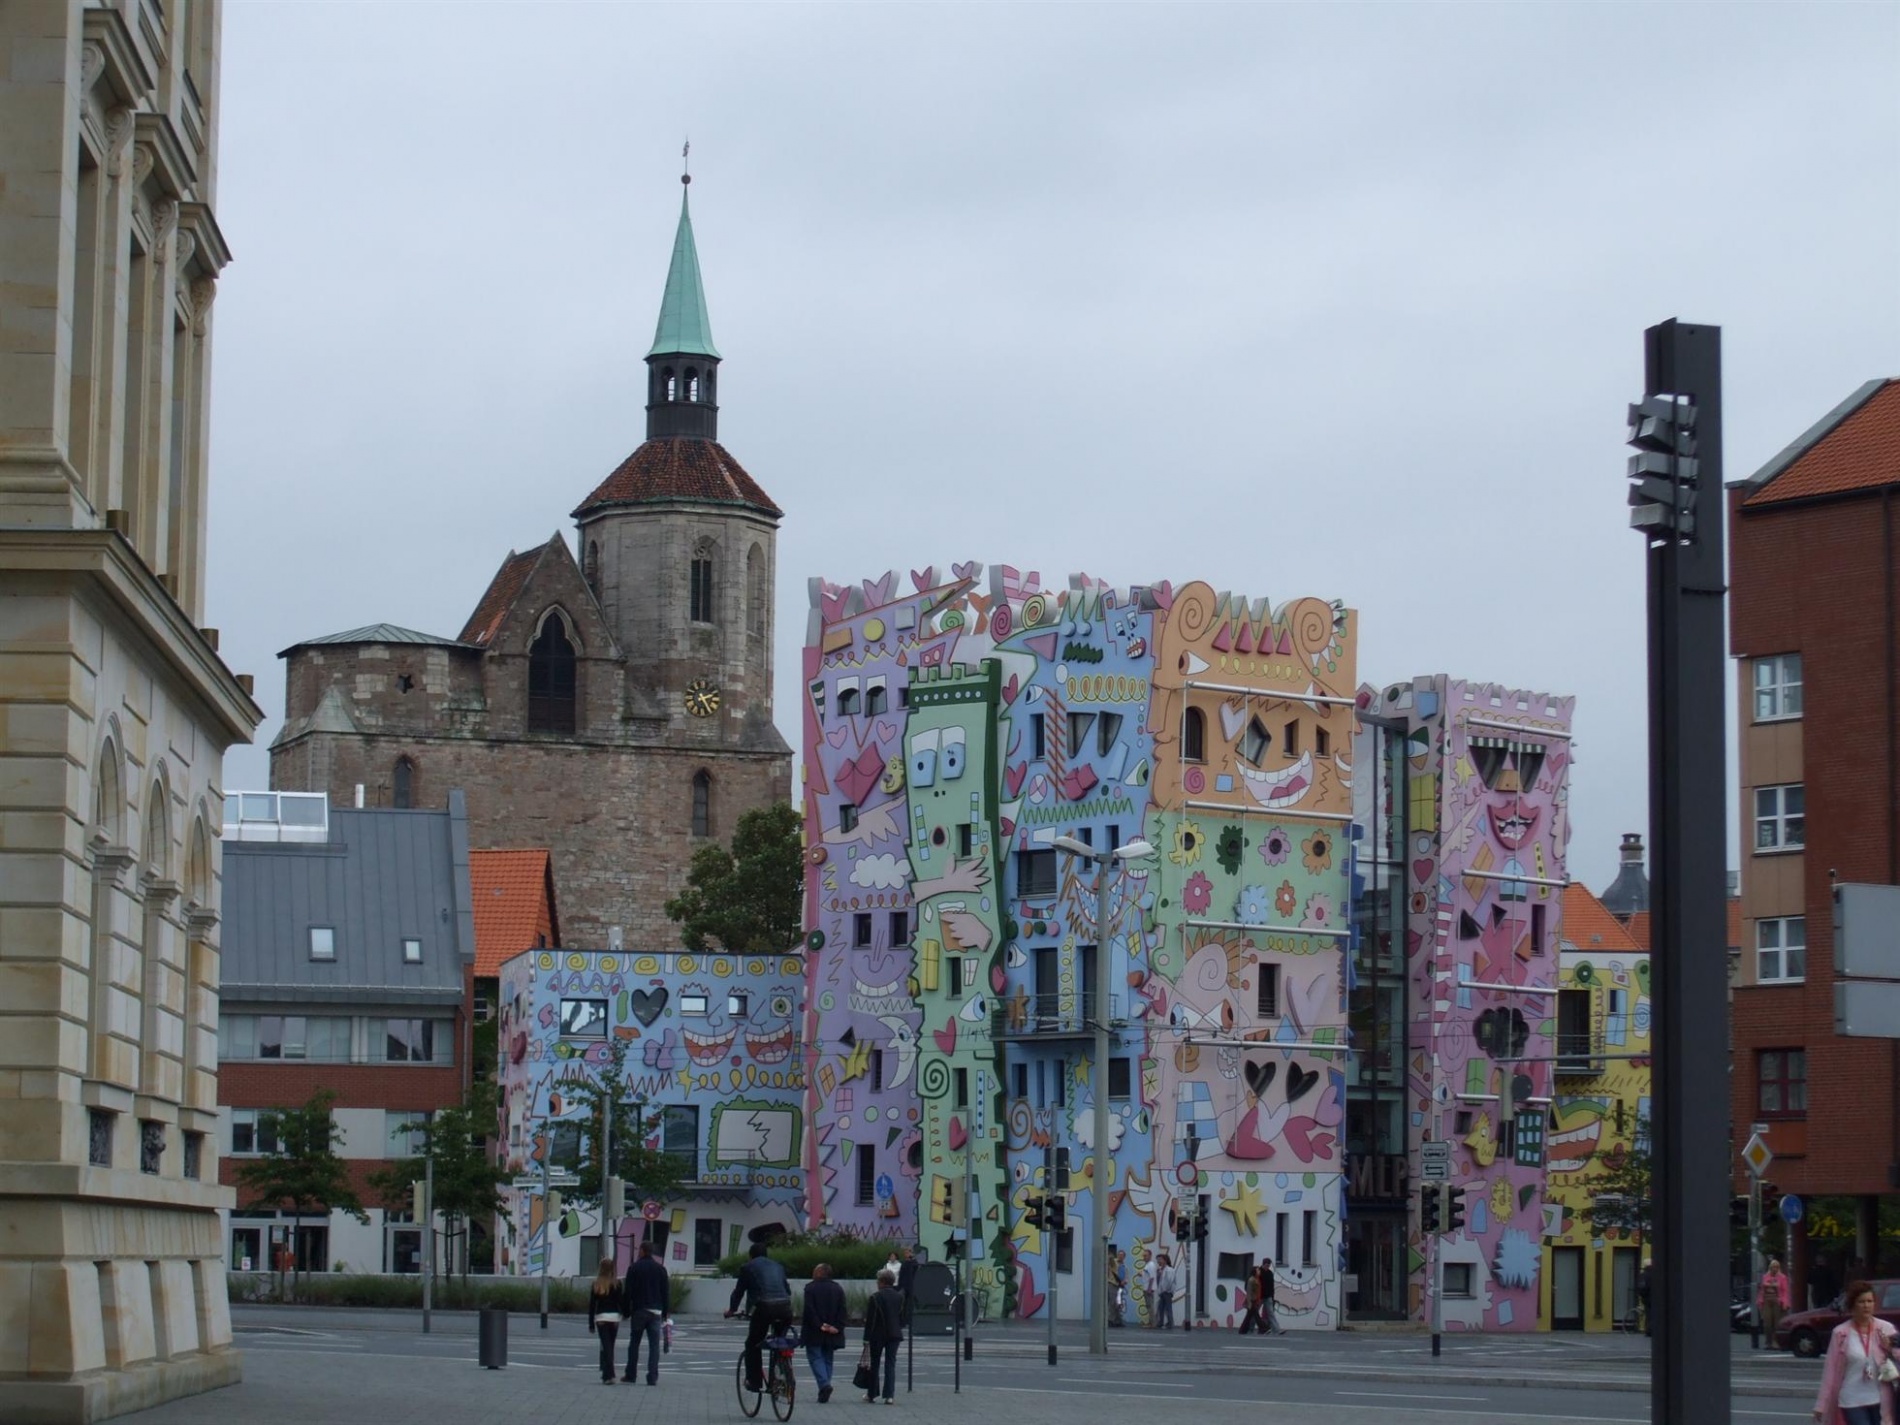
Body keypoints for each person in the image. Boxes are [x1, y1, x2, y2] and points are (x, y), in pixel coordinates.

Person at [1814, 1280, 1898, 1425]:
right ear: (1852, 1305)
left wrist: (1890, 1348)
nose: (1866, 1306)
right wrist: (1821, 1405)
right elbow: (1830, 1372)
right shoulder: (1840, 1333)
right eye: (1861, 1302)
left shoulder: (1886, 1328)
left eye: (1870, 1301)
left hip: (1881, 1398)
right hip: (1851, 1400)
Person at [726, 1242, 794, 1394]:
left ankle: (755, 1382)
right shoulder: (778, 1266)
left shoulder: (747, 1267)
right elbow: (787, 1290)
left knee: (753, 1343)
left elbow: (738, 1292)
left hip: (764, 1308)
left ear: (751, 1256)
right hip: (785, 1308)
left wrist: (731, 1310)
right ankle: (781, 1374)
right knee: (779, 1341)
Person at [623, 1240, 669, 1385]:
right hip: (656, 1311)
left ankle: (631, 1374)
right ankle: (652, 1377)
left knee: (634, 1343)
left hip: (639, 1310)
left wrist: (626, 1311)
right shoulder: (660, 1269)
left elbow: (628, 1292)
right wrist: (665, 1312)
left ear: (642, 1251)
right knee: (654, 1346)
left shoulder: (634, 1268)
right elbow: (665, 1292)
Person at [803, 1262, 848, 1403]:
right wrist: (838, 1327)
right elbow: (843, 1310)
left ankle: (824, 1385)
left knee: (815, 1357)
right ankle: (825, 1387)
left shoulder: (810, 1288)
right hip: (832, 1330)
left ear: (819, 1272)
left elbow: (810, 1310)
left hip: (815, 1331)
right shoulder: (837, 1289)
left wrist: (820, 1325)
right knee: (828, 1358)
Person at [863, 1268, 905, 1404]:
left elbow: (871, 1320)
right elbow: (902, 1317)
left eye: (878, 1280)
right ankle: (889, 1395)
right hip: (894, 1334)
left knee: (875, 1364)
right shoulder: (899, 1297)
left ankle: (872, 1393)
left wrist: (866, 1338)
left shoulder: (875, 1297)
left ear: (882, 1282)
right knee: (890, 1364)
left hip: (878, 1334)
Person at [587, 1258, 625, 1385]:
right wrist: (625, 1313)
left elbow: (592, 1305)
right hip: (614, 1317)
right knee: (611, 1346)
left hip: (601, 1317)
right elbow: (621, 1301)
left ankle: (608, 1374)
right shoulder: (617, 1283)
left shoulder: (596, 1284)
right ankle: (608, 1374)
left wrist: (591, 1323)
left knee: (606, 1345)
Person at [1760, 1258, 1792, 1351]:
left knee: (1777, 1323)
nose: (1774, 1268)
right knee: (1767, 1323)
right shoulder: (1765, 1277)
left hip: (1778, 1301)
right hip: (1767, 1301)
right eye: (1773, 1266)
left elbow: (1785, 1291)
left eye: (1776, 1267)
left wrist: (1785, 1303)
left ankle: (1775, 1342)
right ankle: (1768, 1342)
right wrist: (1760, 1303)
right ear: (1770, 1267)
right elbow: (1762, 1290)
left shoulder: (1782, 1277)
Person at [1260, 1258, 1287, 1336]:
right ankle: (1250, 1328)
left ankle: (1277, 1330)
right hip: (1260, 1296)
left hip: (1268, 1296)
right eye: (1266, 1265)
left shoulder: (1270, 1273)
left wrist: (1272, 1296)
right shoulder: (1258, 1272)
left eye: (1269, 1265)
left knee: (1271, 1313)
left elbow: (1272, 1286)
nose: (1267, 1267)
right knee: (1254, 1313)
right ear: (1263, 1264)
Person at [1238, 1260, 1266, 1335]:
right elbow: (1249, 1291)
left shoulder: (1257, 1279)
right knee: (1256, 1316)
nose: (1259, 1272)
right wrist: (1249, 1303)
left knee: (1249, 1316)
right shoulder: (1251, 1280)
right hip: (1252, 1300)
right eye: (1258, 1270)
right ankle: (1263, 1328)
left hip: (1255, 1300)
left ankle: (1242, 1330)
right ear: (1254, 1272)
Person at [897, 1246, 919, 1327]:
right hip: (904, 1286)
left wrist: (911, 1259)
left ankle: (910, 1320)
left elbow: (915, 1271)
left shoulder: (914, 1262)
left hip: (911, 1285)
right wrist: (900, 1286)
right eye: (905, 1253)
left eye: (908, 1252)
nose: (906, 1254)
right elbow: (901, 1275)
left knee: (910, 1304)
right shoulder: (903, 1263)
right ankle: (902, 1321)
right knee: (903, 1304)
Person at [1154, 1252, 1177, 1331]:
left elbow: (1169, 1281)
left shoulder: (1169, 1270)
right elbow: (1159, 1281)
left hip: (1167, 1292)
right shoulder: (1160, 1270)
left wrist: (1165, 1290)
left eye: (1160, 1260)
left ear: (1165, 1260)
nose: (1158, 1262)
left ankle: (1170, 1323)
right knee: (1161, 1307)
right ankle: (1161, 1322)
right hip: (1162, 1292)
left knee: (1168, 1308)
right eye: (1158, 1260)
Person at [1108, 1248, 1127, 1328]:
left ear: (1124, 1257)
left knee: (1119, 1304)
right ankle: (1111, 1320)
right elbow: (1111, 1261)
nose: (1120, 1256)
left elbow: (1126, 1276)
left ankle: (1118, 1320)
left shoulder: (1124, 1266)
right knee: (1112, 1302)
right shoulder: (1114, 1262)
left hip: (1120, 1286)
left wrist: (1125, 1281)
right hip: (1113, 1284)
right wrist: (1110, 1257)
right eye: (1119, 1255)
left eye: (1122, 1255)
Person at [1638, 1259, 1653, 1337]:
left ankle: (1649, 1330)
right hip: (1655, 1298)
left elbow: (1642, 1287)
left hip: (1647, 1298)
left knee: (1649, 1314)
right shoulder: (1657, 1273)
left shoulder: (1643, 1275)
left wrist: (1642, 1296)